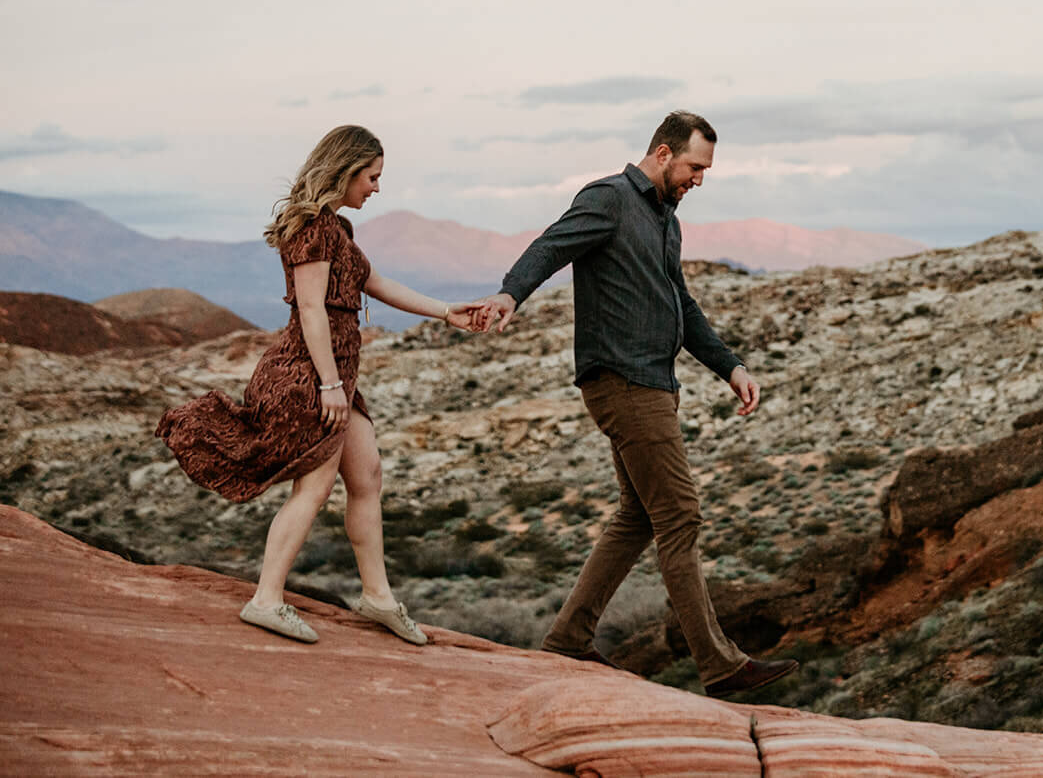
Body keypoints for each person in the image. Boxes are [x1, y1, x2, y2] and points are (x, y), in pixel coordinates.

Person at [474, 110, 798, 698]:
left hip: (654, 384)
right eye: (697, 167)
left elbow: (683, 305)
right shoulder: (610, 199)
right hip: (623, 382)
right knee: (680, 515)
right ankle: (720, 664)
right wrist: (509, 293)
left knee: (639, 517)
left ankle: (570, 636)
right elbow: (551, 246)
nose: (701, 178)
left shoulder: (666, 221)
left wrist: (731, 366)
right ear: (665, 153)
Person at [157, 125, 487, 646]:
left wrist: (449, 312)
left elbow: (376, 284)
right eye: (372, 177)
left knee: (368, 475)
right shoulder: (313, 228)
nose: (376, 188)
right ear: (346, 170)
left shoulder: (339, 230)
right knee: (313, 485)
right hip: (309, 376)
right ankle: (266, 600)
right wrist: (329, 384)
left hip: (334, 375)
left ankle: (377, 597)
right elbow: (311, 308)